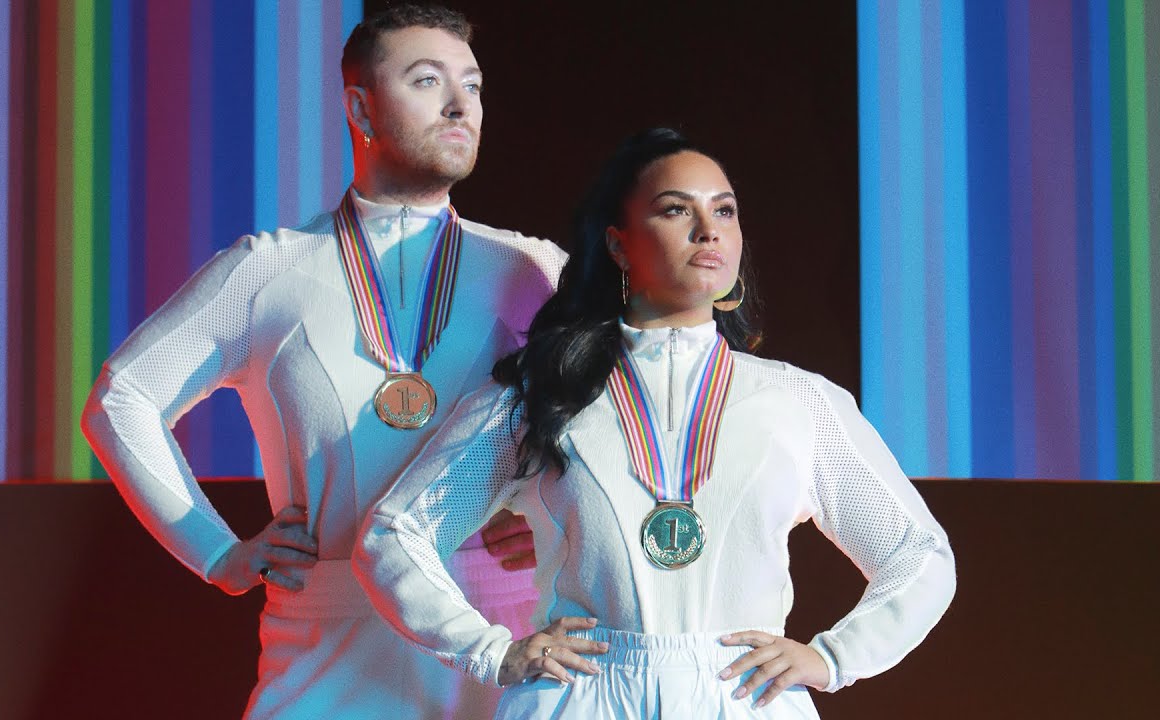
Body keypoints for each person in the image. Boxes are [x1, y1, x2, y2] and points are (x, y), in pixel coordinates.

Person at [353, 127, 957, 718]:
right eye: (676, 209)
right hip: (585, 693)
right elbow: (394, 535)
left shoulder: (798, 401)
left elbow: (918, 555)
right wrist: (491, 651)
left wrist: (833, 657)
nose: (708, 229)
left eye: (724, 210)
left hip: (742, 695)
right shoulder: (544, 394)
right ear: (618, 245)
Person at [81, 5, 565, 719]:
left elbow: (617, 421)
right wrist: (217, 553)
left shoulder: (531, 270)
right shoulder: (269, 270)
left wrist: (545, 517)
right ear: (359, 108)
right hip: (325, 653)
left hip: (494, 640)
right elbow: (120, 400)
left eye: (473, 85)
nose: (460, 104)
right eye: (427, 81)